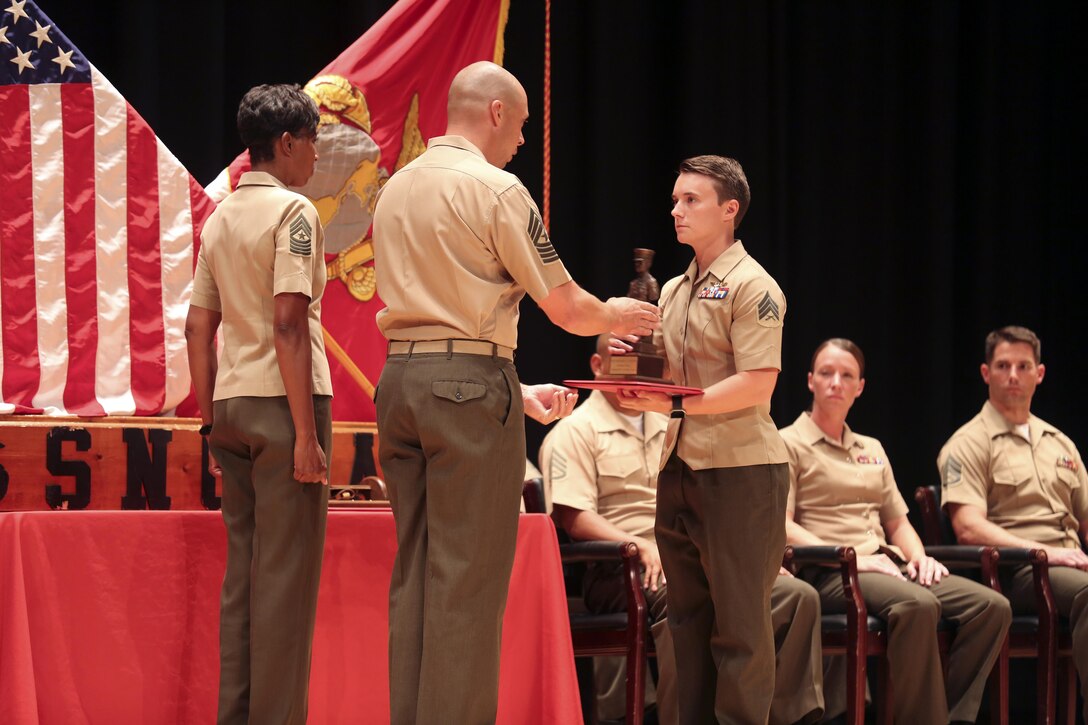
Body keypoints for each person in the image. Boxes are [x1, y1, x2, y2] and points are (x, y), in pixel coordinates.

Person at [371, 61, 660, 725]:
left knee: (416, 573)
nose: (523, 140)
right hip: (470, 385)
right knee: (467, 582)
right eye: (522, 124)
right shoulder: (497, 188)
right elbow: (565, 307)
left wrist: (516, 389)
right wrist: (618, 314)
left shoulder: (394, 187)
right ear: (496, 112)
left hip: (403, 382)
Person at [541, 335, 824, 725]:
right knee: (687, 600)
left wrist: (743, 557)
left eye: (642, 359)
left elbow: (705, 499)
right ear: (597, 364)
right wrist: (639, 544)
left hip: (691, 552)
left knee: (794, 596)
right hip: (620, 568)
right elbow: (574, 517)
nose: (634, 367)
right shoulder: (574, 431)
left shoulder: (673, 420)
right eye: (621, 357)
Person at [614, 155, 790, 723]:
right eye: (674, 200)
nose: (677, 210)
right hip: (681, 464)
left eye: (691, 200)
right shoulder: (674, 289)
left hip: (741, 471)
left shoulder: (754, 286)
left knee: (739, 628)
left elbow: (758, 384)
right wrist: (633, 368)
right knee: (687, 623)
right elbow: (670, 373)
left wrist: (672, 401)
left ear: (729, 210)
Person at [185, 84, 331, 725]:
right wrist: (305, 434)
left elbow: (197, 327)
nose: (318, 156)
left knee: (243, 579)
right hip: (283, 405)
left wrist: (211, 422)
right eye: (314, 142)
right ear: (288, 143)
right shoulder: (293, 213)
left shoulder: (219, 218)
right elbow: (289, 324)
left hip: (231, 406)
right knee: (287, 586)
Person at [783, 338, 1011, 724]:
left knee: (990, 607)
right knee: (918, 605)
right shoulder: (788, 442)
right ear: (810, 381)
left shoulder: (871, 447)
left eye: (847, 375)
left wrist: (920, 557)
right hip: (830, 569)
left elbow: (898, 522)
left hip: (887, 563)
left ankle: (951, 715)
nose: (836, 382)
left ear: (860, 387)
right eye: (826, 373)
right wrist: (855, 559)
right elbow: (783, 527)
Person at [938, 325, 1088, 722]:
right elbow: (968, 527)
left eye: (1024, 366)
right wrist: (1048, 553)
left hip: (1069, 565)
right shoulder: (968, 442)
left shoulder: (1060, 442)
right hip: (1018, 570)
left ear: (1040, 373)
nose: (1013, 376)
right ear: (986, 373)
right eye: (1003, 365)